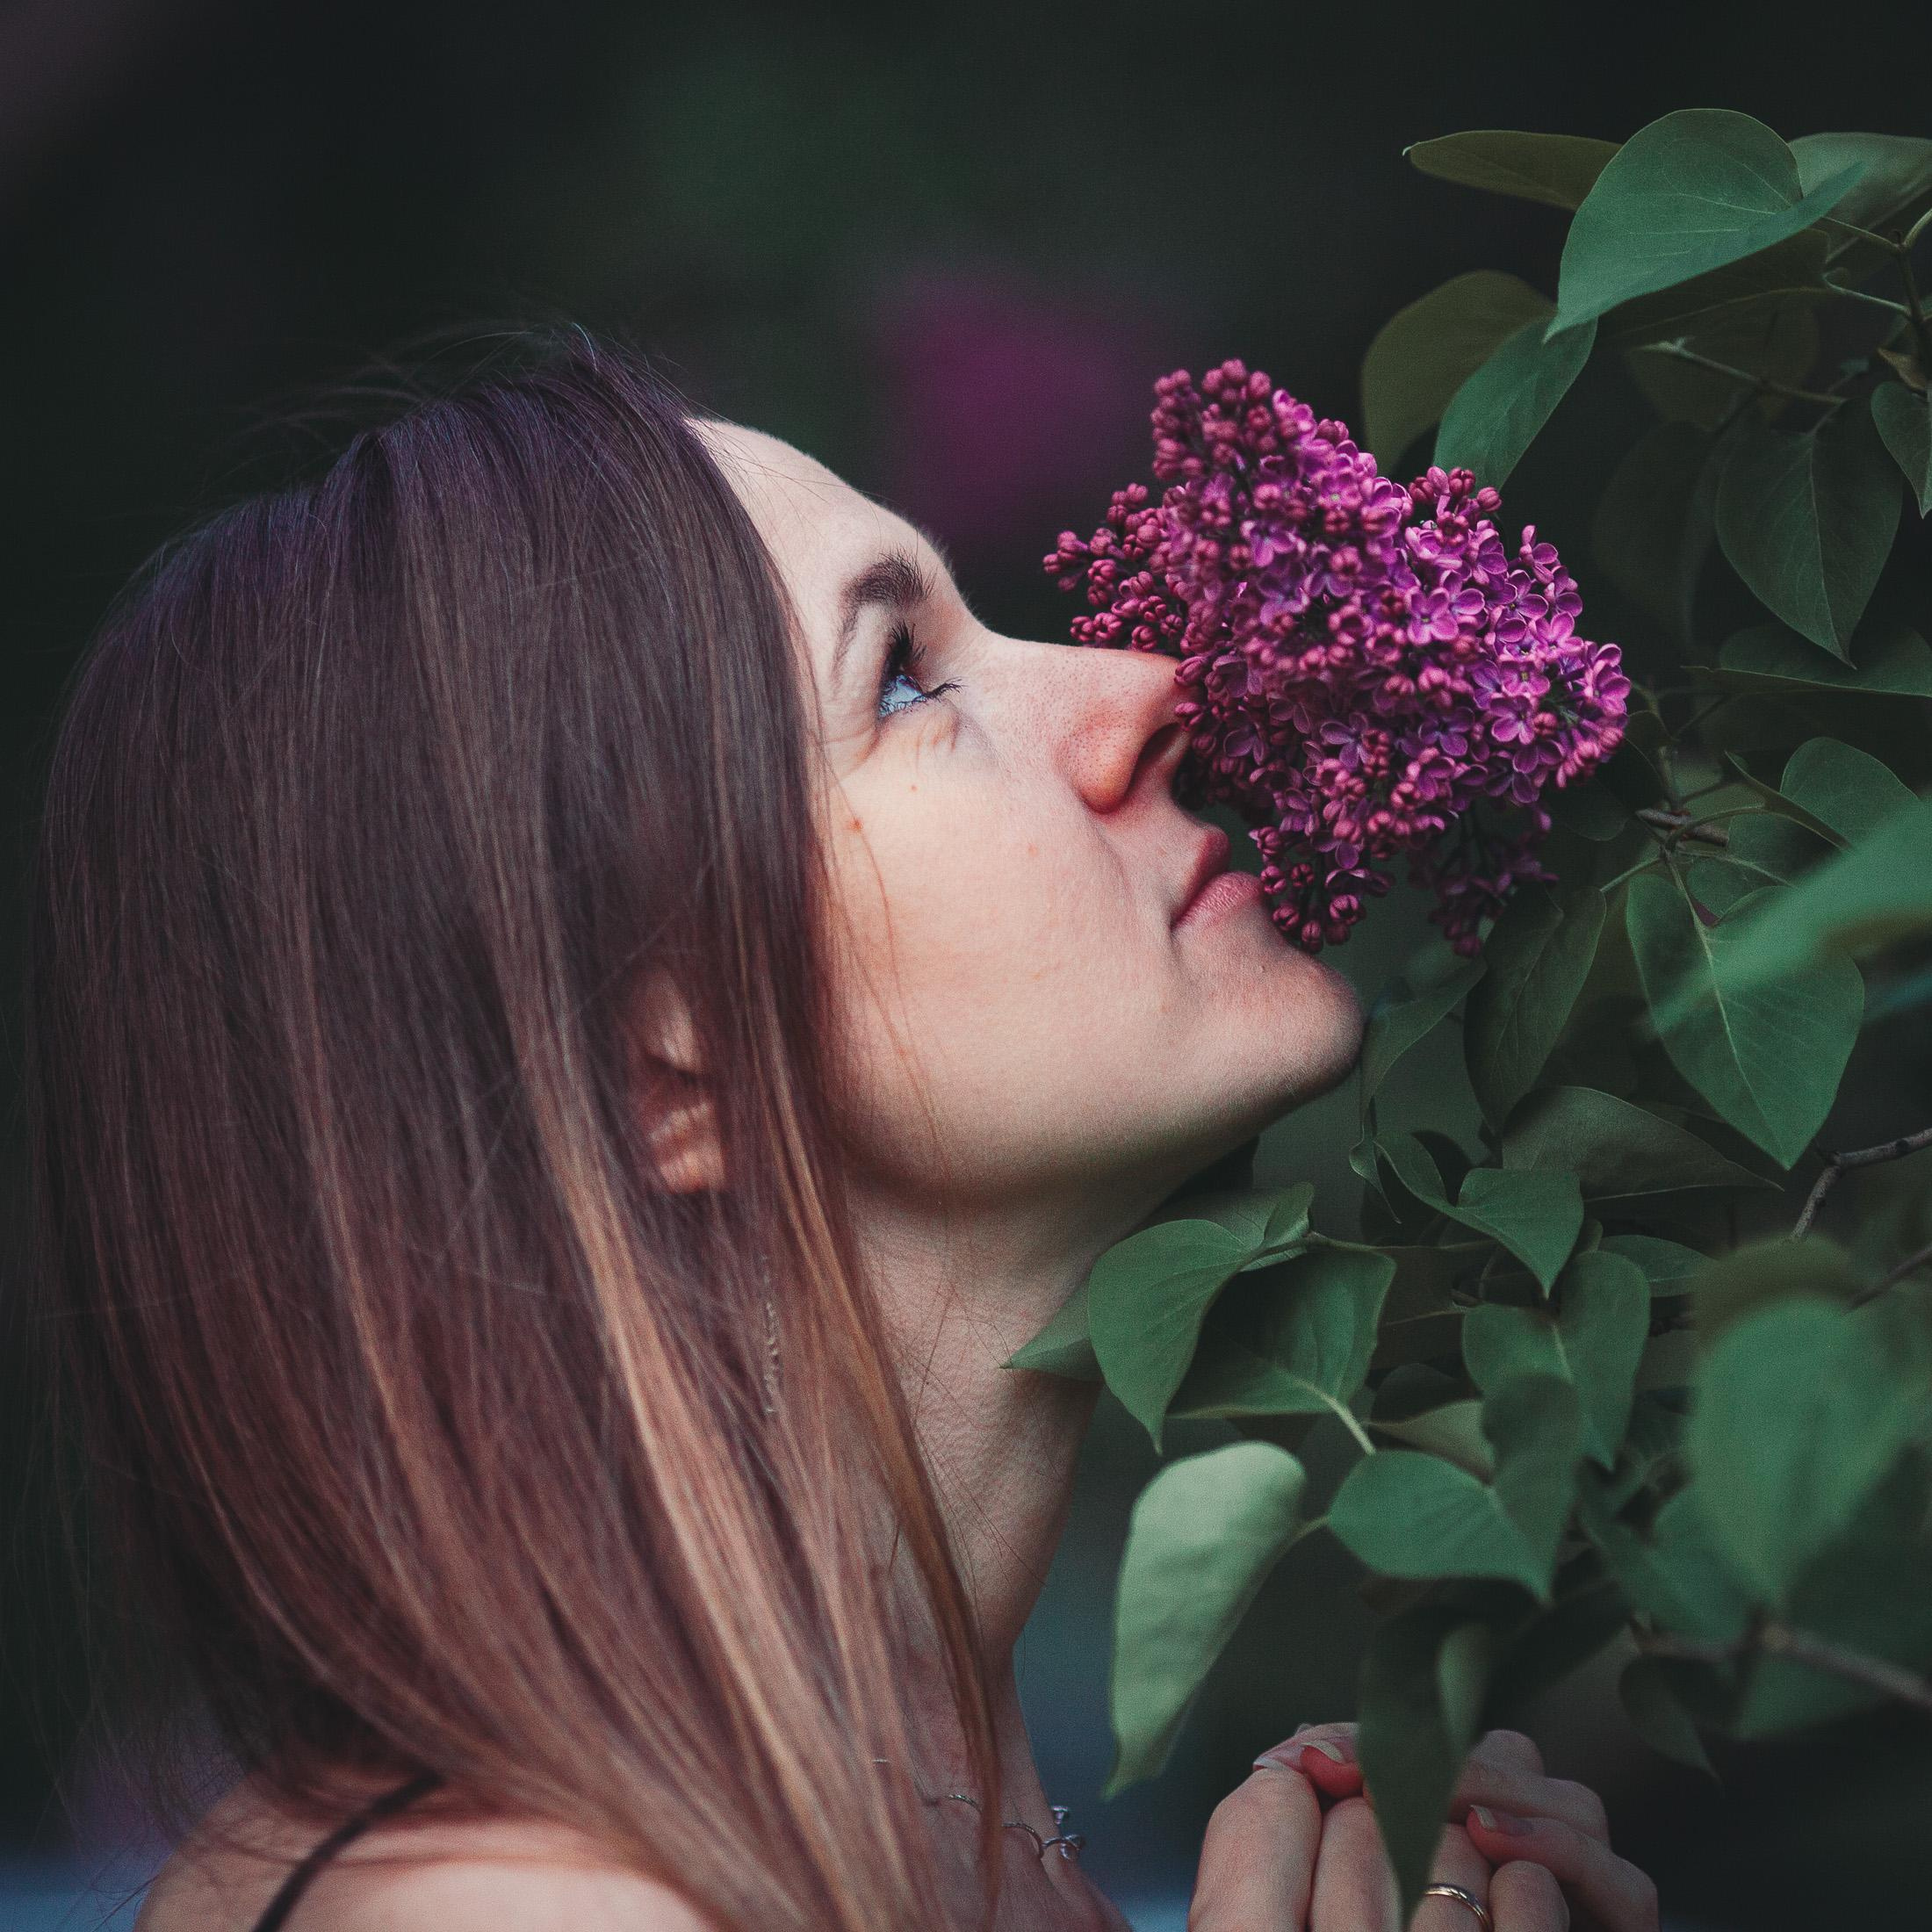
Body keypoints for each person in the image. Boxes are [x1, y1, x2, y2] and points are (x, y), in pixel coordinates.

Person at [25, 324, 1659, 1931]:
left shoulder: (978, 1854)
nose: (1153, 687)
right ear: (665, 1075)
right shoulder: (516, 1906)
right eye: (902, 678)